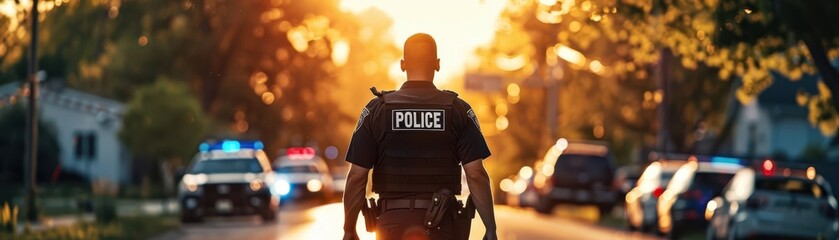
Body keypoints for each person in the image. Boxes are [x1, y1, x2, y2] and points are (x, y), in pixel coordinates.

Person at [342, 33, 497, 240]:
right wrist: (491, 229)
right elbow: (476, 174)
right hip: (442, 226)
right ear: (437, 64)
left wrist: (349, 230)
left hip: (390, 226)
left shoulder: (376, 110)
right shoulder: (458, 110)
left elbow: (357, 176)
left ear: (403, 65)